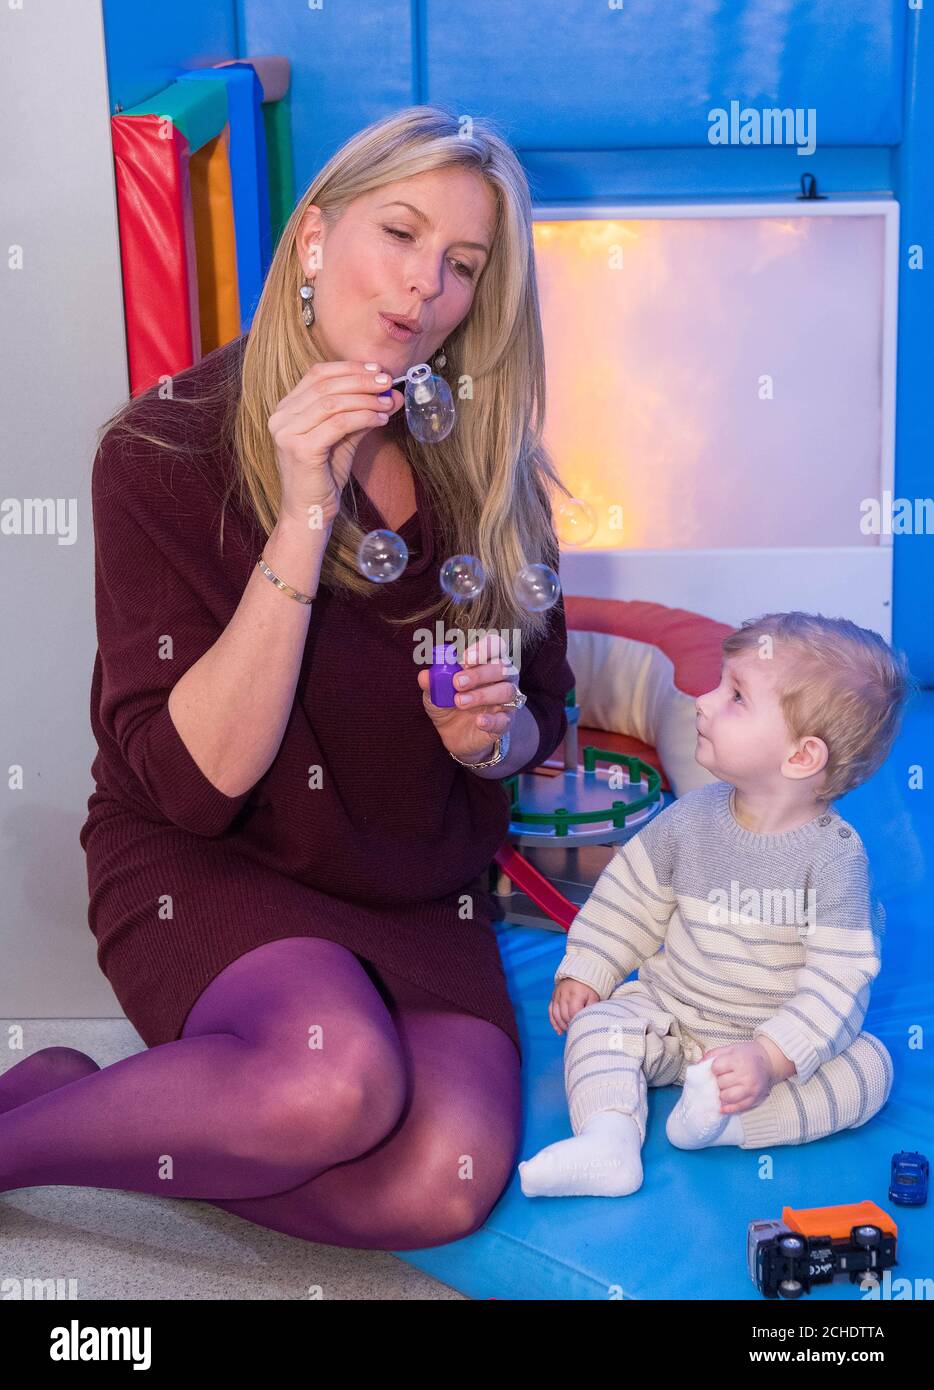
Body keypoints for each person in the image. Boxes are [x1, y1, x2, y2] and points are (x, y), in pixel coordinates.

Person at [0, 105, 575, 1251]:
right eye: (399, 234)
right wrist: (305, 512)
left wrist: (489, 742)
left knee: (442, 1182)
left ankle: (79, 1102)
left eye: (461, 266)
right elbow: (197, 784)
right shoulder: (160, 452)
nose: (425, 288)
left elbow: (538, 723)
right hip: (212, 859)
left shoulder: (482, 461)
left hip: (411, 879)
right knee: (331, 1089)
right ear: (312, 239)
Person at [519, 611, 913, 1198]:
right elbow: (628, 897)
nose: (701, 702)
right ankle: (608, 1142)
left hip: (766, 1045)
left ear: (802, 757)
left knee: (870, 1071)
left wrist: (770, 1058)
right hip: (672, 1018)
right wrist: (588, 969)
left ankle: (729, 1123)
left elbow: (838, 983)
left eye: (734, 697)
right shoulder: (691, 817)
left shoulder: (835, 860)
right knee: (598, 1027)